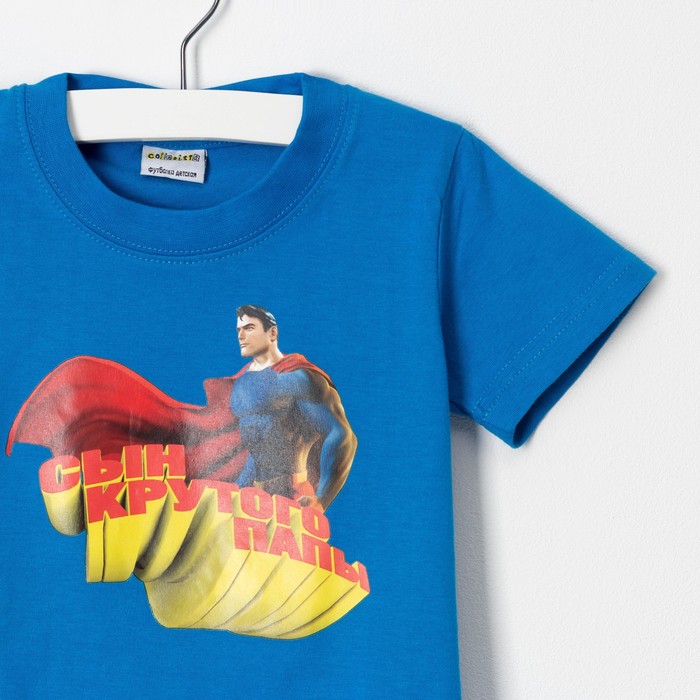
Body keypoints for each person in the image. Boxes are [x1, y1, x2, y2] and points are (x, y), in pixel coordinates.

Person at [230, 305, 357, 512]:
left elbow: (342, 436)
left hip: (294, 495)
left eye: (249, 328)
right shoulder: (244, 381)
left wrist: (322, 499)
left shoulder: (302, 378)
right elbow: (260, 444)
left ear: (272, 333)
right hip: (255, 498)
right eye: (238, 330)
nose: (241, 336)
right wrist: (238, 487)